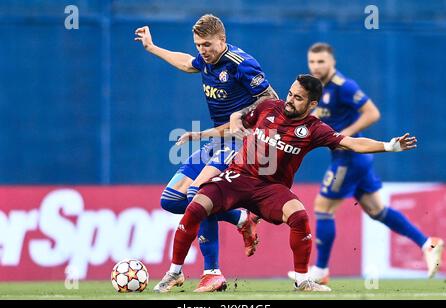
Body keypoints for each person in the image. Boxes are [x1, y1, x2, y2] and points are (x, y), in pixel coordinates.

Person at [153, 74, 418, 293]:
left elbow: (352, 143)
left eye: (298, 98)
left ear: (312, 104)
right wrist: (201, 134)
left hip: (271, 189)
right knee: (196, 204)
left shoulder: (314, 129)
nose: (290, 100)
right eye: (291, 93)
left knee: (300, 216)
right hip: (238, 177)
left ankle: (302, 280)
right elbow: (233, 127)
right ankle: (174, 272)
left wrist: (390, 146)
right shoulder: (268, 107)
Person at [134, 14, 278, 292]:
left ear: (222, 40)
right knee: (172, 199)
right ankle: (241, 218)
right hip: (218, 140)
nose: (202, 50)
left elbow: (272, 100)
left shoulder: (242, 64)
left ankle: (211, 272)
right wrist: (152, 48)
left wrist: (242, 115)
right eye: (198, 45)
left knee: (198, 193)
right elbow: (188, 64)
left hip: (244, 142)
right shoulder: (205, 60)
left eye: (207, 44)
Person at [288, 43, 443, 284]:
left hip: (349, 158)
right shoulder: (319, 90)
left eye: (321, 61)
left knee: (322, 208)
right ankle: (427, 243)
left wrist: (345, 136)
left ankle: (320, 270)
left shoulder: (344, 86)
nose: (316, 66)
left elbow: (372, 113)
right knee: (376, 210)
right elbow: (318, 116)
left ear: (333, 62)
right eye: (312, 62)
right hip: (356, 159)